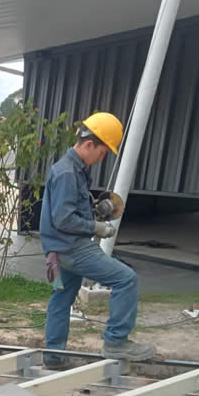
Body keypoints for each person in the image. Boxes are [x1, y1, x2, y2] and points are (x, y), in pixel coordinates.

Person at [40, 112, 156, 364]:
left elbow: (66, 211)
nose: (101, 158)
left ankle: (53, 357)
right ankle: (116, 342)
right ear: (89, 144)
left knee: (61, 298)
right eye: (103, 153)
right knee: (126, 279)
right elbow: (63, 219)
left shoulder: (72, 169)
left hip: (58, 251)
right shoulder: (68, 174)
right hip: (74, 249)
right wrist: (97, 227)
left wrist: (93, 207)